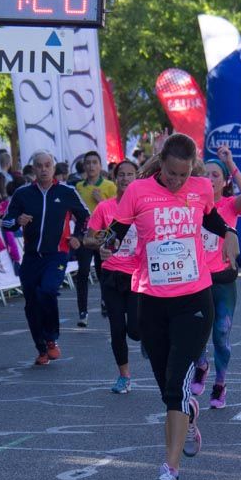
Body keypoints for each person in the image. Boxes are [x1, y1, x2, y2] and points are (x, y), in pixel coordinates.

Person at [106, 133, 240, 480]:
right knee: (169, 388)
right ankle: (190, 410)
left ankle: (170, 474)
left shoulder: (201, 189)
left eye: (183, 175)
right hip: (152, 300)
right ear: (160, 163)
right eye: (171, 173)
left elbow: (212, 220)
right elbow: (115, 233)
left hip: (194, 300)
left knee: (177, 386)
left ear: (192, 169)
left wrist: (228, 233)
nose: (177, 181)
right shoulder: (137, 192)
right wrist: (104, 242)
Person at [1, 150, 89, 365]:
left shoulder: (67, 192)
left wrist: (77, 236)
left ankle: (51, 338)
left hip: (57, 254)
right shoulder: (23, 194)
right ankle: (41, 348)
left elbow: (85, 216)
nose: (43, 169)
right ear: (33, 169)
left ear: (53, 167)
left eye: (47, 165)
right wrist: (17, 221)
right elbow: (5, 222)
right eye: (39, 165)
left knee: (48, 290)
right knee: (31, 303)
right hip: (31, 257)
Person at [190, 145, 241, 408]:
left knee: (221, 334)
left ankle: (220, 384)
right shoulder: (191, 204)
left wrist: (231, 163)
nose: (211, 179)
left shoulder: (229, 205)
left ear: (225, 181)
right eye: (206, 174)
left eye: (216, 175)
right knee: (195, 332)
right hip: (195, 279)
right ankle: (201, 364)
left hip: (222, 279)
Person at [84, 160, 141, 393]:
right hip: (112, 274)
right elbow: (88, 238)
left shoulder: (144, 208)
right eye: (121, 175)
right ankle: (124, 376)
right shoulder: (105, 208)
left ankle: (145, 338)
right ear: (115, 178)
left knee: (135, 331)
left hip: (139, 275)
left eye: (130, 174)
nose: (125, 179)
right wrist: (99, 246)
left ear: (137, 178)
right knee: (117, 328)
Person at [73, 151, 115, 327]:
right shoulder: (78, 187)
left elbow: (114, 212)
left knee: (102, 271)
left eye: (94, 163)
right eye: (88, 163)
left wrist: (100, 201)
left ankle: (106, 300)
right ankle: (83, 312)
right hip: (84, 233)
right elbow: (74, 209)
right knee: (82, 272)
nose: (91, 166)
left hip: (102, 234)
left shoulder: (109, 186)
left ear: (100, 166)